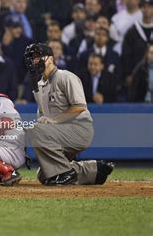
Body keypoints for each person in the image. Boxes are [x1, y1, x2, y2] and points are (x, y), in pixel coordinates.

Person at [24, 43, 114, 185]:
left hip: (79, 128)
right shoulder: (40, 85)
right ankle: (94, 170)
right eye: (33, 58)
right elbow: (42, 118)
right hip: (59, 132)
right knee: (44, 175)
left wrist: (53, 121)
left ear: (50, 59)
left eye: (38, 56)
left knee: (36, 130)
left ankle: (64, 172)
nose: (35, 60)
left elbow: (79, 107)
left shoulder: (64, 76)